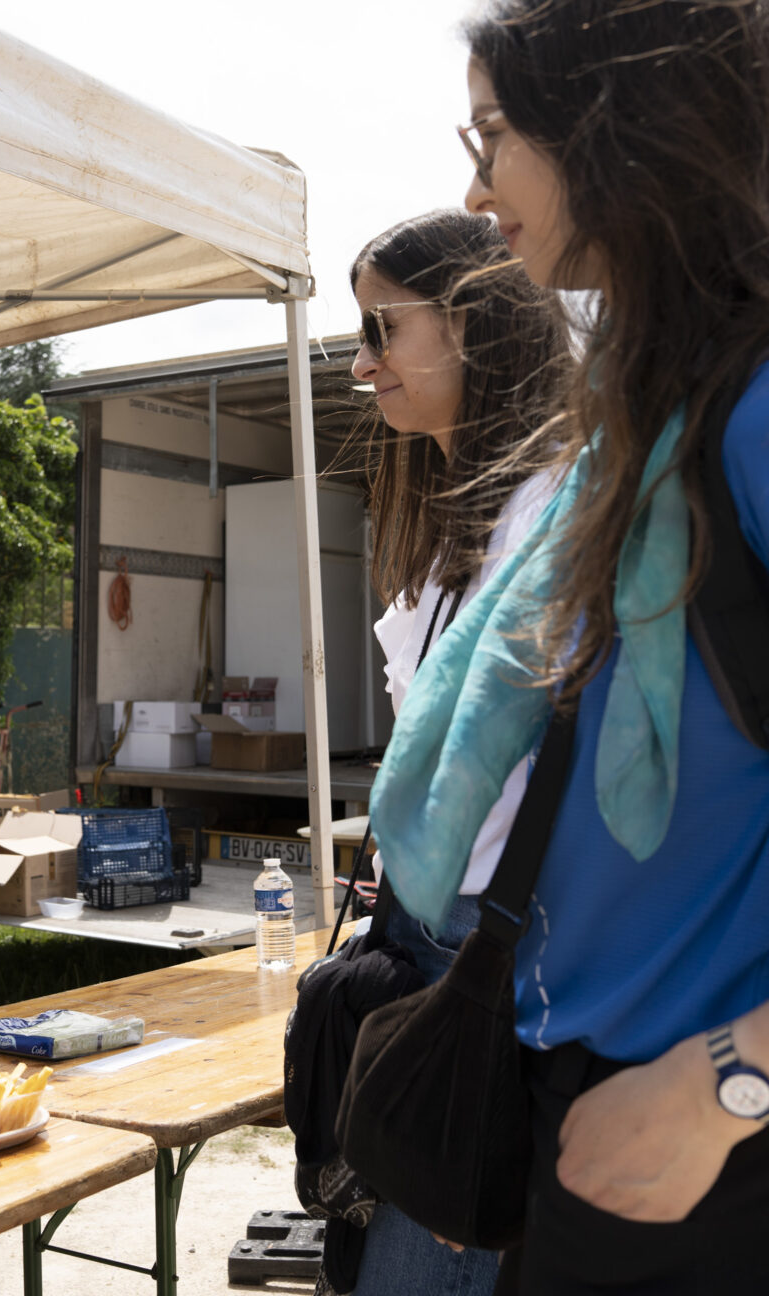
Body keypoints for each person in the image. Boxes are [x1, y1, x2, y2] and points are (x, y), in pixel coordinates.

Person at [371, 3, 769, 1291]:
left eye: (491, 136)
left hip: (708, 1129)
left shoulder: (749, 411)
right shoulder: (645, 423)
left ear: (616, 123)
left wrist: (730, 1082)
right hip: (595, 1091)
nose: (475, 189)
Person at [340, 210, 568, 1296]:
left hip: (498, 967)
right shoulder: (456, 516)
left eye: (382, 328)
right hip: (432, 944)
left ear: (471, 323)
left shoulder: (549, 506)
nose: (362, 363)